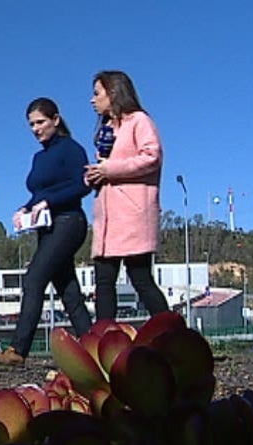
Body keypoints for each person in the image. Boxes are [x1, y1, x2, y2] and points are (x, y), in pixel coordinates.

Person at [0, 97, 93, 367]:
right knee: (68, 290)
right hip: (46, 226)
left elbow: (83, 185)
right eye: (31, 125)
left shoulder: (71, 149)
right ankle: (94, 345)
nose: (36, 129)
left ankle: (17, 350)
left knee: (34, 279)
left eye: (41, 122)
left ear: (56, 120)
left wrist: (49, 202)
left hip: (69, 222)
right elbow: (39, 193)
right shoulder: (38, 157)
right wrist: (24, 209)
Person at [83, 70, 169, 321]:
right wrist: (93, 175)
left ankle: (172, 333)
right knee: (104, 282)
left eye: (97, 93)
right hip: (107, 221)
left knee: (141, 279)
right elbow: (106, 166)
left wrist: (109, 170)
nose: (92, 100)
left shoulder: (139, 121)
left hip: (132, 217)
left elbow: (152, 156)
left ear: (113, 92)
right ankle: (103, 340)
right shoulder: (106, 131)